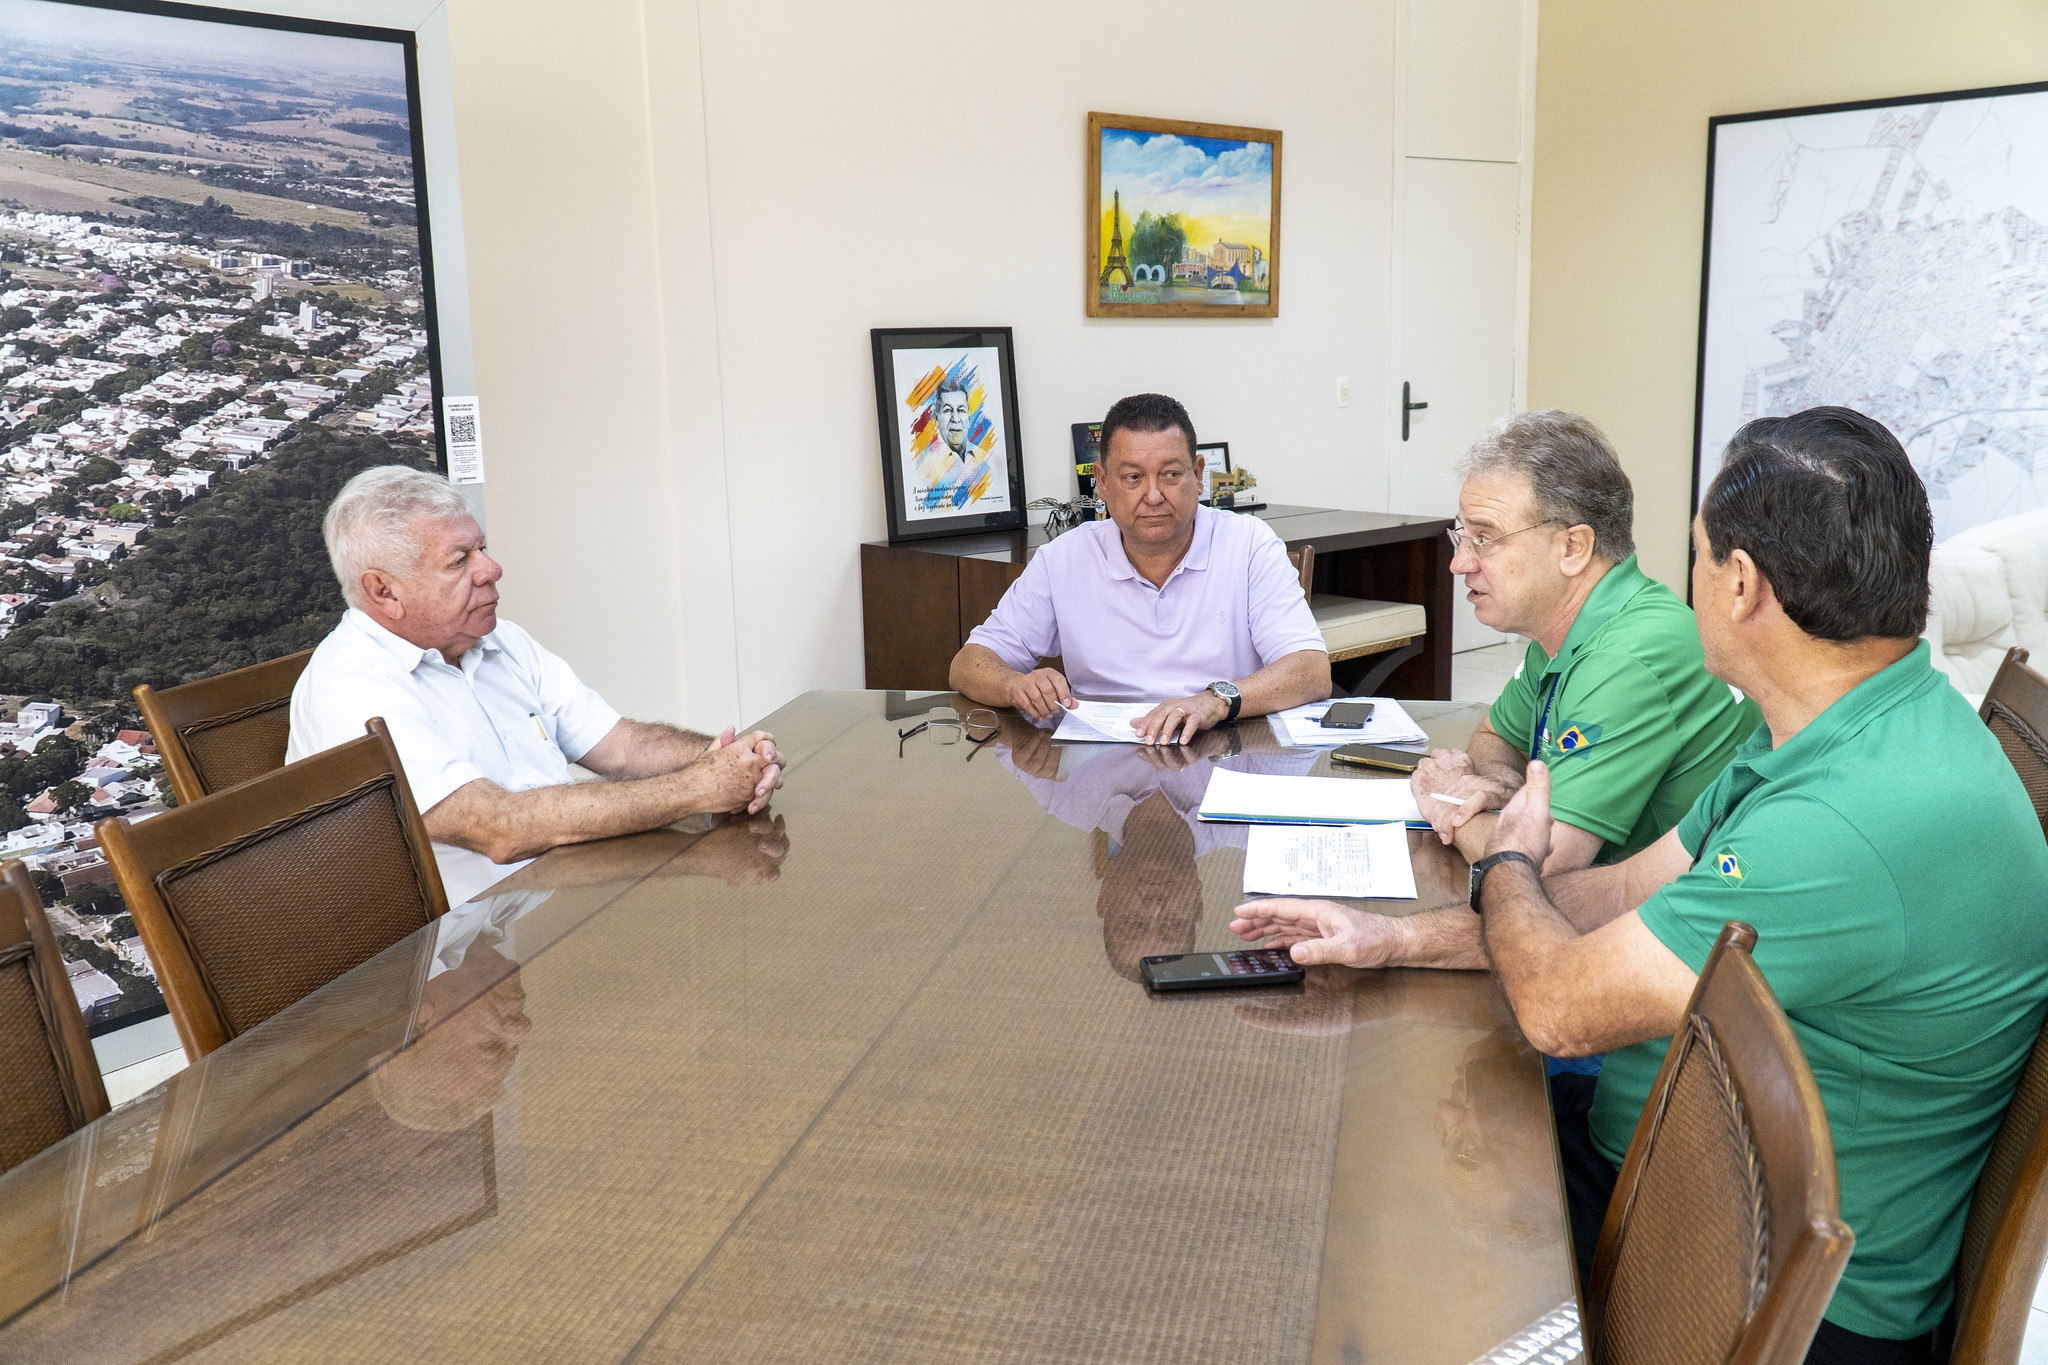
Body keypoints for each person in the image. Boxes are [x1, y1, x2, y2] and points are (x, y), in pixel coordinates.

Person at [1239, 407, 2048, 1360]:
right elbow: (1621, 899)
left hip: (1771, 1293)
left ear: (1741, 586)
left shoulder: (1850, 817)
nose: (1681, 580)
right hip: (1695, 1168)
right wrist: (1390, 939)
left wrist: (1501, 858)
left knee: (1354, 1254)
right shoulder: (1833, 722)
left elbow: (1557, 1006)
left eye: (1696, 555)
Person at [1225, 411, 1760, 976]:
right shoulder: (1566, 627)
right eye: (1463, 536)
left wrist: (1450, 805)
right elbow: (1494, 734)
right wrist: (1499, 786)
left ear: (1573, 547)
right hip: (1608, 920)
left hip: (1663, 953)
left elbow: (1536, 874)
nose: (1459, 562)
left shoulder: (1627, 654)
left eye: (1485, 538)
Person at [288, 466, 783, 904]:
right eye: (459, 561)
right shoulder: (352, 686)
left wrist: (727, 758)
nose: (490, 569)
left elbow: (621, 745)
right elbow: (500, 829)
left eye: (481, 548)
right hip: (445, 960)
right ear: (384, 591)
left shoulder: (497, 638)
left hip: (558, 898)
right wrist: (699, 788)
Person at [951, 392, 1330, 744]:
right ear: (1101, 482)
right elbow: (969, 664)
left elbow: (1311, 672)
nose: (1153, 495)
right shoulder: (1064, 558)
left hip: (1223, 748)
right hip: (1103, 764)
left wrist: (1214, 701)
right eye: (1133, 477)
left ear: (1198, 475)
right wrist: (1015, 685)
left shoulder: (1248, 544)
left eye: (1171, 474)